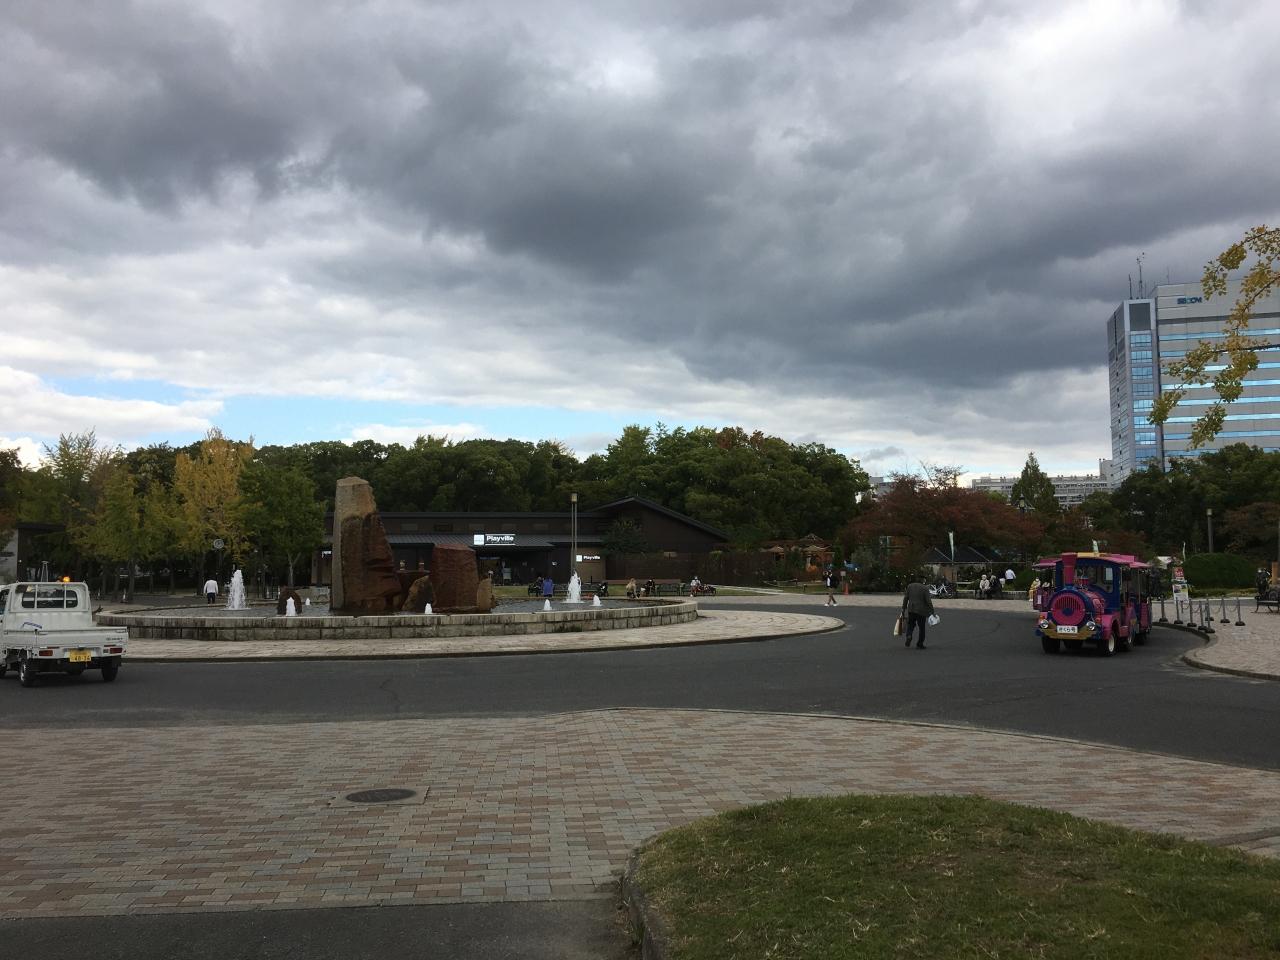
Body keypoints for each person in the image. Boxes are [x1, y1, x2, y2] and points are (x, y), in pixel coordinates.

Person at [901, 579, 935, 649]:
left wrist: (903, 608)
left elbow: (906, 598)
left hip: (911, 609)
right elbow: (928, 601)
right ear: (923, 581)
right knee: (921, 628)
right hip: (921, 611)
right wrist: (932, 610)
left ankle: (909, 635)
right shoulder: (925, 588)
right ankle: (920, 644)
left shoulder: (910, 586)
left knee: (910, 624)